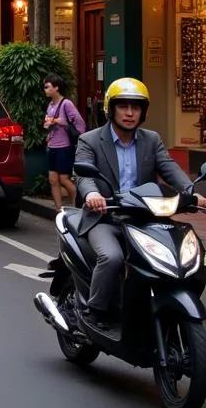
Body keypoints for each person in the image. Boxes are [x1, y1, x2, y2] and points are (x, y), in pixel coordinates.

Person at [75, 77, 206, 332]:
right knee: (112, 257)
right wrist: (92, 195)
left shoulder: (151, 139)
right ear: (111, 109)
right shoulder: (90, 140)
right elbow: (84, 176)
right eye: (123, 106)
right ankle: (96, 311)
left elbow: (170, 169)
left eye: (135, 107)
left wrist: (192, 193)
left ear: (143, 111)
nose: (129, 112)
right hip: (105, 218)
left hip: (145, 219)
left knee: (187, 255)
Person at [43, 73, 85, 211]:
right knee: (53, 180)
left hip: (64, 146)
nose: (45, 89)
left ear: (56, 88)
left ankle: (79, 204)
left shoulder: (66, 104)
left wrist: (62, 124)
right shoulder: (50, 105)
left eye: (48, 87)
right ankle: (59, 210)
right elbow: (50, 122)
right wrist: (49, 128)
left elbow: (80, 124)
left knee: (64, 179)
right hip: (52, 145)